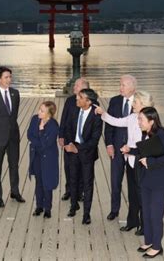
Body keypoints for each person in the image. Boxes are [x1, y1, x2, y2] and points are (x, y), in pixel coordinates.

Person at [95, 90, 154, 235]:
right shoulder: (133, 117)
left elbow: (147, 145)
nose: (132, 104)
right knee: (133, 193)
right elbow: (116, 121)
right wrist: (102, 113)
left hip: (142, 164)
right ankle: (132, 221)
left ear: (143, 104)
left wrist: (130, 149)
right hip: (131, 161)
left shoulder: (150, 120)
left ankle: (145, 226)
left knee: (142, 195)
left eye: (135, 102)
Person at [123, 107, 164, 258]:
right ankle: (148, 241)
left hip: (160, 181)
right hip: (146, 179)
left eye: (141, 119)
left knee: (155, 214)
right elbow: (144, 151)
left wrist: (151, 161)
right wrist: (129, 150)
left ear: (151, 121)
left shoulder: (163, 135)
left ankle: (157, 246)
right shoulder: (145, 133)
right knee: (146, 212)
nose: (138, 122)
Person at [0, 66, 25, 207]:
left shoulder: (15, 93)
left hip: (13, 136)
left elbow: (13, 116)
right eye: (6, 77)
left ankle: (15, 191)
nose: (9, 79)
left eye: (10, 77)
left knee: (14, 165)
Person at [64, 88, 103, 225]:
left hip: (87, 154)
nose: (76, 99)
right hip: (72, 152)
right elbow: (68, 128)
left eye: (80, 97)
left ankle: (86, 214)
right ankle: (74, 205)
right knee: (73, 179)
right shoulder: (74, 110)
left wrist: (78, 148)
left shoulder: (96, 115)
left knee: (87, 184)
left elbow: (94, 139)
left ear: (88, 101)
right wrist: (69, 143)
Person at [104, 74, 137, 221]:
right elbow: (109, 124)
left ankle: (133, 214)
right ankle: (114, 210)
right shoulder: (115, 101)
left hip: (133, 150)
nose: (120, 88)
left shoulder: (139, 102)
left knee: (133, 184)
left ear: (132, 87)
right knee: (115, 181)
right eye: (120, 84)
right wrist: (109, 144)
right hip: (116, 148)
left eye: (123, 85)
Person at [58, 78, 89, 201]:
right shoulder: (70, 100)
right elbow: (63, 118)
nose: (74, 87)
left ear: (84, 87)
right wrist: (61, 135)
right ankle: (69, 190)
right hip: (69, 138)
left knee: (81, 167)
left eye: (76, 85)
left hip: (82, 141)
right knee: (68, 166)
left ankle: (80, 192)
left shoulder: (90, 102)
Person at [27, 101, 60, 218]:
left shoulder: (54, 125)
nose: (38, 112)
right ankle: (39, 206)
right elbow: (29, 135)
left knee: (47, 183)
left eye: (42, 111)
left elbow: (47, 143)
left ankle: (48, 209)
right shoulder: (35, 119)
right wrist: (39, 142)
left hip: (48, 158)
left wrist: (41, 131)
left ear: (49, 114)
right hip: (36, 156)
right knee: (39, 182)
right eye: (39, 109)